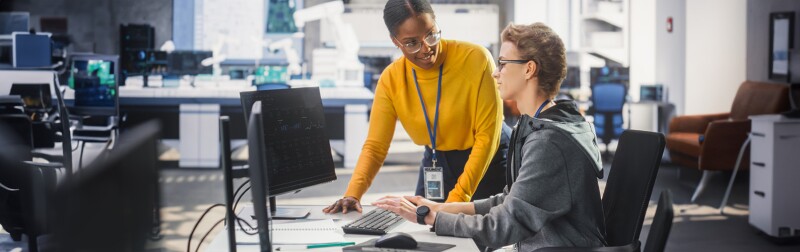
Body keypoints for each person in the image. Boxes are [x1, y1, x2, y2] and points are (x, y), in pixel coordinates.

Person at [372, 22, 607, 250]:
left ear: (529, 69)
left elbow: (501, 226)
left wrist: (431, 217)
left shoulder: (549, 143)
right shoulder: (540, 128)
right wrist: (439, 208)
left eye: (503, 63)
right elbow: (509, 201)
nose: (495, 73)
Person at [323, 0, 511, 213]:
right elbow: (376, 146)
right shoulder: (391, 79)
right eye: (412, 43)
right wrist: (352, 193)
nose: (427, 48)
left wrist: (453, 203)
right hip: (436, 160)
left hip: (490, 157)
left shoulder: (476, 58)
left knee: (477, 237)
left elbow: (487, 137)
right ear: (395, 41)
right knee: (419, 229)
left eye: (431, 34)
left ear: (436, 23)